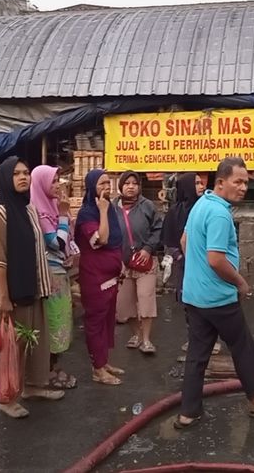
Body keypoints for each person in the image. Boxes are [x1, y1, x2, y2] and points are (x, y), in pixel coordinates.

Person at [175, 157, 254, 429]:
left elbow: (184, 241)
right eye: (238, 182)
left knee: (197, 356)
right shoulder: (219, 214)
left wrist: (196, 271)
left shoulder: (201, 204)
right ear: (221, 182)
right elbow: (216, 259)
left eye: (246, 182)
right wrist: (240, 282)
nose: (243, 187)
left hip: (195, 297)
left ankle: (188, 413)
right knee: (242, 346)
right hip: (217, 298)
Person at [0, 156, 62, 419]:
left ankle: (33, 386)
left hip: (33, 288)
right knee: (10, 346)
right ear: (5, 178)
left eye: (26, 173)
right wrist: (3, 298)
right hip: (11, 292)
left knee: (35, 341)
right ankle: (6, 397)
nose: (23, 177)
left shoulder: (29, 209)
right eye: (16, 174)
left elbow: (37, 249)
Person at [74, 169, 126, 386]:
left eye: (108, 183)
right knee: (95, 321)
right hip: (95, 277)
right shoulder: (88, 213)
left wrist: (120, 263)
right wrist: (102, 211)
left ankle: (104, 362)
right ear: (91, 187)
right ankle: (97, 369)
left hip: (111, 274)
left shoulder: (111, 210)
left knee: (107, 319)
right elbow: (102, 239)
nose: (106, 187)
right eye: (101, 184)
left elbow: (116, 240)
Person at [161, 172, 220, 355]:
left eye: (201, 183)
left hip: (206, 264)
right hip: (185, 265)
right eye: (196, 183)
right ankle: (194, 338)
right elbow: (169, 241)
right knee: (190, 304)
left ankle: (213, 340)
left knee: (210, 302)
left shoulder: (207, 209)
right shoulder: (174, 213)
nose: (201, 186)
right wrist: (180, 256)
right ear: (186, 187)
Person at [30, 165, 77, 390]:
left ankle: (54, 368)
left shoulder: (51, 207)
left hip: (61, 272)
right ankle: (46, 372)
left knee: (62, 321)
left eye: (58, 180)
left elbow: (65, 243)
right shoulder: (39, 211)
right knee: (52, 323)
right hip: (50, 276)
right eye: (53, 181)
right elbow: (55, 242)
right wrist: (63, 216)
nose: (58, 185)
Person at [114, 171, 162, 354]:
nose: (131, 186)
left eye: (135, 183)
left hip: (145, 262)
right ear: (121, 187)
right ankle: (136, 334)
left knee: (146, 299)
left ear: (139, 187)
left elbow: (158, 229)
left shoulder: (147, 206)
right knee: (124, 305)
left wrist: (148, 248)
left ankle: (147, 340)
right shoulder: (112, 208)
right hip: (122, 264)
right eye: (127, 183)